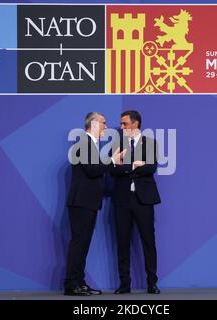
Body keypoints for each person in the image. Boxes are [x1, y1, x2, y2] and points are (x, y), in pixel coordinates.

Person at [64, 112, 125, 296]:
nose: (106, 127)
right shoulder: (84, 142)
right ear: (95, 124)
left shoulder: (90, 144)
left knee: (83, 244)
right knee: (79, 243)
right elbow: (92, 171)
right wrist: (113, 161)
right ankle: (71, 284)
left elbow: (94, 170)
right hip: (82, 202)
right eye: (104, 123)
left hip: (88, 202)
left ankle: (79, 282)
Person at [110, 110, 161, 294]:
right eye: (121, 124)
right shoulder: (117, 145)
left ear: (135, 123)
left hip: (143, 200)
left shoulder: (150, 143)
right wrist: (133, 165)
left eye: (124, 124)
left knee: (148, 241)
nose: (121, 127)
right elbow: (112, 169)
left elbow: (151, 167)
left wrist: (126, 166)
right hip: (122, 200)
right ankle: (124, 284)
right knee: (122, 243)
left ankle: (152, 283)